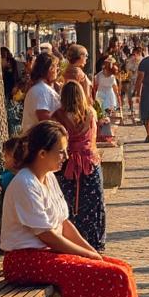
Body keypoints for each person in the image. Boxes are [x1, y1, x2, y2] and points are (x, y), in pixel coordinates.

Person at [1, 121, 149, 297]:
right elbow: (47, 235)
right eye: (61, 152)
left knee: (122, 269)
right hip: (25, 260)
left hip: (47, 254)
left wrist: (91, 251)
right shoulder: (24, 183)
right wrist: (85, 256)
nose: (65, 157)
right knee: (113, 276)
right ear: (42, 154)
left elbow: (64, 224)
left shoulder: (48, 179)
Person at [53, 80, 106, 251]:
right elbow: (94, 138)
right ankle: (94, 241)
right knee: (93, 204)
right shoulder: (91, 113)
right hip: (90, 162)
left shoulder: (57, 117)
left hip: (67, 163)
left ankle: (71, 241)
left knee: (68, 203)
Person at [21, 52, 60, 133]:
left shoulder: (41, 88)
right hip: (42, 142)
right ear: (50, 69)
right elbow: (44, 119)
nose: (57, 70)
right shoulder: (42, 91)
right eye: (56, 67)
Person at [93, 57, 121, 121]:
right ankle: (106, 122)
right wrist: (118, 96)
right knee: (106, 111)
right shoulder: (112, 76)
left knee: (102, 111)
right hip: (109, 94)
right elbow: (115, 88)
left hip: (101, 93)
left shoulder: (99, 75)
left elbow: (95, 86)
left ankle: (104, 123)